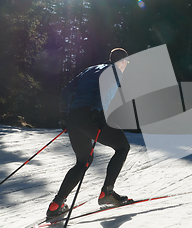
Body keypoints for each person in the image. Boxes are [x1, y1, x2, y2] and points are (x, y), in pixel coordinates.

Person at [47, 48, 131, 219]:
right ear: (122, 62)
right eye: (126, 63)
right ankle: (107, 193)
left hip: (74, 117)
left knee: (83, 161)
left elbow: (66, 90)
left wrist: (64, 116)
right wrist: (96, 112)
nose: (125, 66)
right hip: (91, 116)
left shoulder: (89, 69)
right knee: (123, 147)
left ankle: (56, 204)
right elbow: (103, 90)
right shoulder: (115, 71)